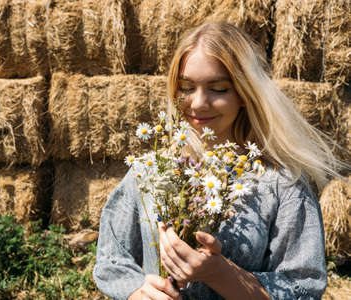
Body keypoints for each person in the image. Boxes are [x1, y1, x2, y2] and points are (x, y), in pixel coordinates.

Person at [93, 22, 345, 300]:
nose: (198, 103)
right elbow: (111, 259)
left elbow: (303, 288)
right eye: (186, 87)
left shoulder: (282, 185)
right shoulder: (151, 172)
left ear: (244, 95)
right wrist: (136, 291)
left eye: (219, 89)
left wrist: (219, 273)